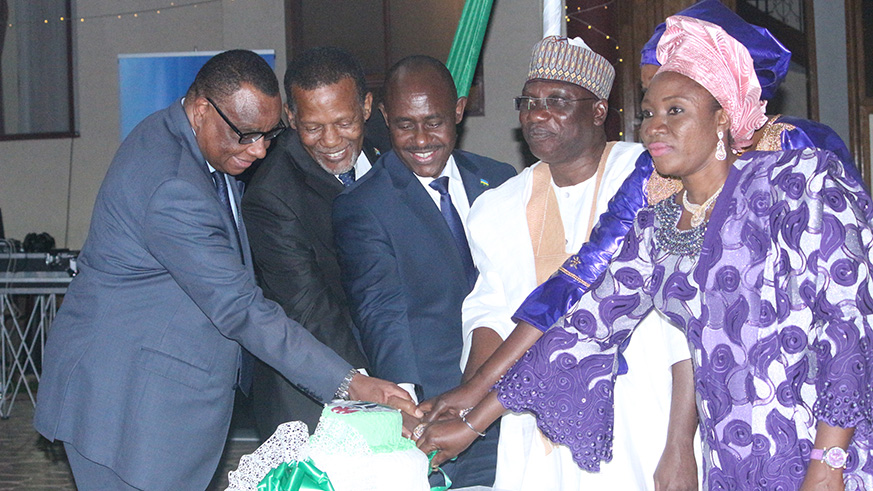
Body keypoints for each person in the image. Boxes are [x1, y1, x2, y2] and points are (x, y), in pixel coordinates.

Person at [419, 15, 873, 490]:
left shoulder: (799, 181)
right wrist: (473, 416)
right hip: (732, 456)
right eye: (649, 112)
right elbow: (582, 326)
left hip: (820, 448)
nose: (655, 126)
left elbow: (849, 323)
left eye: (675, 110)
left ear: (723, 116)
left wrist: (830, 460)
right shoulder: (660, 223)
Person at [33, 49, 414, 490]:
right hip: (131, 409)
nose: (258, 150)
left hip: (153, 393)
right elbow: (240, 308)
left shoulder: (180, 133)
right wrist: (350, 383)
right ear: (200, 110)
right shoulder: (174, 187)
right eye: (246, 135)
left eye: (269, 134)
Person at [449, 36, 693, 490]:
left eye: (557, 101)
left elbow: (684, 322)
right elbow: (490, 310)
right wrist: (471, 396)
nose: (537, 114)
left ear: (599, 111)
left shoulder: (651, 176)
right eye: (529, 101)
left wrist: (681, 442)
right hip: (527, 419)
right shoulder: (494, 207)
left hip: (645, 412)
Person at [332, 55, 516, 487]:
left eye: (433, 121)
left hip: (514, 403)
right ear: (383, 117)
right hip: (435, 414)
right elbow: (380, 311)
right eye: (403, 124)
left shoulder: (502, 179)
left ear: (458, 110)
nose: (419, 139)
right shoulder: (364, 204)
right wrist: (408, 405)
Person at [241, 46, 386, 440]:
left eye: (344, 122)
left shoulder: (393, 151)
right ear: (290, 117)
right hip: (313, 394)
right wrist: (379, 387)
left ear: (367, 107)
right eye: (312, 126)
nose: (331, 140)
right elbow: (311, 310)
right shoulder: (271, 194)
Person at [638, 0, 862, 203]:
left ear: (723, 103)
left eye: (675, 107)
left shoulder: (795, 141)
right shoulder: (653, 164)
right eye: (648, 107)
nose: (655, 126)